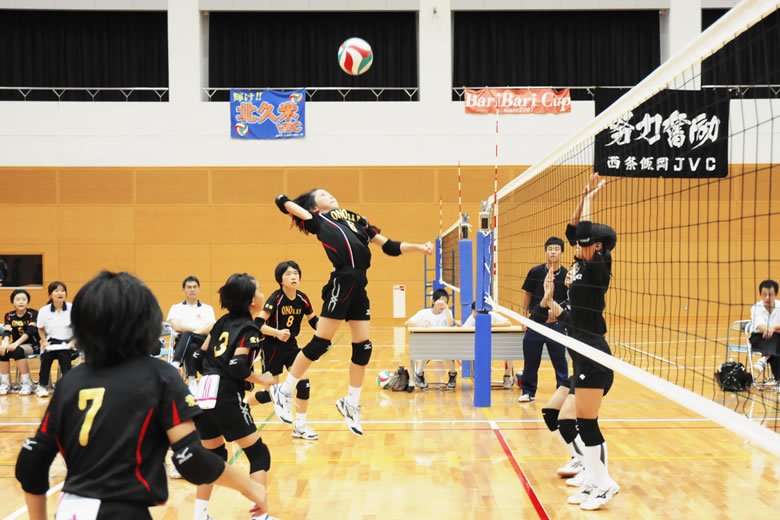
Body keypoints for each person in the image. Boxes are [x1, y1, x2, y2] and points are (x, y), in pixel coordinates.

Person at [14, 271, 268, 520]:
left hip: (70, 511)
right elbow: (191, 459)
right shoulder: (160, 377)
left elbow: (31, 462)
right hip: (124, 511)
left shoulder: (70, 382)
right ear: (146, 321)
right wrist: (250, 487)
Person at [270, 189, 433, 436]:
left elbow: (389, 246)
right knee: (321, 342)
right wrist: (283, 200)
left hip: (360, 282)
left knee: (363, 346)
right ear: (314, 207)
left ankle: (351, 403)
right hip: (343, 280)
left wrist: (419, 247)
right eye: (322, 194)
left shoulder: (357, 220)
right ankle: (284, 390)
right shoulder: (319, 220)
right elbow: (288, 206)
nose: (330, 194)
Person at [191, 273, 279, 520]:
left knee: (214, 456)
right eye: (259, 290)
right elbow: (238, 366)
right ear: (252, 301)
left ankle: (200, 515)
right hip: (224, 394)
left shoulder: (221, 322)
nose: (263, 294)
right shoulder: (249, 329)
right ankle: (260, 517)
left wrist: (210, 372)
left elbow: (197, 357)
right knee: (258, 454)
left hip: (204, 392)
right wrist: (262, 379)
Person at [558, 173, 620, 510]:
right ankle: (593, 482)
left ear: (597, 246)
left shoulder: (598, 266)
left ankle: (604, 484)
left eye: (586, 243)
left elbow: (583, 230)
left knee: (588, 422)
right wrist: (583, 196)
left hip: (594, 353)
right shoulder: (578, 265)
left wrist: (591, 201)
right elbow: (574, 229)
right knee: (579, 421)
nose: (578, 245)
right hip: (580, 351)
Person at [246, 260, 320, 440]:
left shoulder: (302, 299)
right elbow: (257, 323)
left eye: (295, 273)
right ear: (280, 280)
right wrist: (277, 333)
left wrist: (325, 331)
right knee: (271, 393)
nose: (293, 277)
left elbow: (313, 320)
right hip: (271, 346)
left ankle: (300, 427)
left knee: (304, 382)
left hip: (291, 346)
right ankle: (243, 405)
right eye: (288, 274)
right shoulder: (275, 298)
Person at [517, 236, 570, 403]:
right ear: (545, 252)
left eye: (556, 249)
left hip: (556, 325)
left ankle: (563, 393)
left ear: (562, 253)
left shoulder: (567, 275)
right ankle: (528, 392)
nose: (553, 252)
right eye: (550, 249)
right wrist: (524, 318)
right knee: (531, 362)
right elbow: (527, 295)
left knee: (560, 363)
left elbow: (569, 300)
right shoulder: (535, 272)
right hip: (535, 324)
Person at [167, 275, 216, 394]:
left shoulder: (207, 308)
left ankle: (176, 364)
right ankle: (192, 381)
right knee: (191, 346)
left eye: (195, 287)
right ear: (183, 290)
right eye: (189, 287)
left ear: (199, 289)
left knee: (188, 334)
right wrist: (196, 330)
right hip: (183, 343)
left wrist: (191, 331)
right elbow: (176, 326)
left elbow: (210, 327)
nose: (192, 290)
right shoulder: (176, 308)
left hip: (203, 342)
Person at [405, 288, 458, 389]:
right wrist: (422, 324)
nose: (442, 306)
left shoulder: (447, 313)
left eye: (445, 303)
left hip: (444, 345)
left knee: (449, 352)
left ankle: (452, 374)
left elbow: (450, 324)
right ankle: (419, 374)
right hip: (427, 345)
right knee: (426, 350)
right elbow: (407, 323)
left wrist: (446, 308)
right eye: (440, 303)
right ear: (433, 301)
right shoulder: (423, 313)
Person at [36, 281, 75, 398]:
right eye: (56, 291)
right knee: (46, 357)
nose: (60, 293)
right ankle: (42, 386)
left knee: (63, 356)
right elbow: (40, 329)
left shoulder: (72, 308)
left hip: (69, 343)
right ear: (50, 295)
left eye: (62, 291)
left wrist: (73, 342)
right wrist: (44, 341)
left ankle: (67, 387)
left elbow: (80, 329)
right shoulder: (44, 310)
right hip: (52, 342)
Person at [462, 301, 514, 387]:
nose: (476, 314)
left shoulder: (492, 315)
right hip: (481, 348)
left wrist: (491, 325)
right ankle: (480, 376)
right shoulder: (471, 319)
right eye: (474, 312)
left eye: (478, 312)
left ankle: (507, 376)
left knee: (509, 353)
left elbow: (508, 323)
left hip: (497, 346)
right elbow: (464, 330)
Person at [0, 289, 39, 395]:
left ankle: (27, 383)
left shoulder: (33, 313)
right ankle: (4, 383)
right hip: (15, 345)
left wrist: (16, 343)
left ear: (27, 301)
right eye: (17, 299)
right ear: (12, 302)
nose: (21, 302)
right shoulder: (9, 315)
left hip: (32, 345)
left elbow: (30, 331)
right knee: (2, 351)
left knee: (17, 350)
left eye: (23, 299)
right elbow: (7, 331)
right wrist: (5, 343)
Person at [750, 279, 780, 382]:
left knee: (776, 342)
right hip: (759, 339)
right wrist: (774, 328)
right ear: (760, 295)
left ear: (776, 294)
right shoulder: (756, 308)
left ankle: (764, 359)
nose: (767, 298)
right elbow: (761, 326)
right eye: (764, 294)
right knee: (777, 342)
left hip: (776, 339)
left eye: (770, 295)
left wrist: (773, 328)